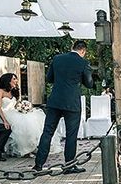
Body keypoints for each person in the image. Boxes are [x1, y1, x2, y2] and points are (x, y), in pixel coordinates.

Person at [34, 40, 93, 174]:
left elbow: (49, 78)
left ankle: (38, 164)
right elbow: (89, 83)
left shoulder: (57, 59)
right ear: (83, 51)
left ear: (72, 47)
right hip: (72, 103)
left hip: (55, 101)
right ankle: (69, 165)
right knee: (71, 135)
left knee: (47, 132)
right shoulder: (83, 63)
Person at [0, 73, 62, 158]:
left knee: (33, 119)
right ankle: (25, 149)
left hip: (15, 112)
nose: (16, 81)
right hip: (4, 113)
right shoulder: (0, 91)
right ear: (8, 80)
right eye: (14, 79)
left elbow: (17, 104)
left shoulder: (13, 91)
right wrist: (5, 121)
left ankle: (34, 147)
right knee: (24, 124)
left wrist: (24, 107)